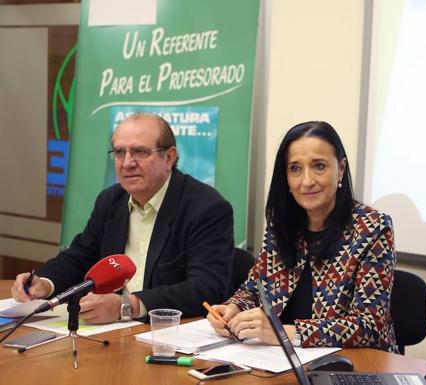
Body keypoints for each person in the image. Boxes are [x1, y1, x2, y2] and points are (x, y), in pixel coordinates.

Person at [11, 113, 234, 323]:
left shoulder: (206, 208)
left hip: (165, 334)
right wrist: (45, 283)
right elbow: (79, 257)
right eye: (119, 152)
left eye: (139, 152)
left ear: (169, 157)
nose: (127, 163)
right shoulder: (111, 201)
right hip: (111, 333)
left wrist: (127, 306)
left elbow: (206, 288)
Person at [207, 121, 397, 352]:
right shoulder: (282, 225)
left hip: (352, 366)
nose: (306, 181)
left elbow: (369, 326)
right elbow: (255, 289)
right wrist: (234, 308)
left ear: (341, 169)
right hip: (281, 362)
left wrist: (285, 333)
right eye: (295, 168)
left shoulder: (372, 228)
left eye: (319, 166)